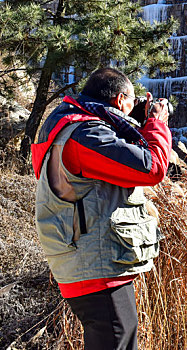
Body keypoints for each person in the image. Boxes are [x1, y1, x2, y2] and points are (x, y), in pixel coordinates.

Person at [31, 67, 172, 349]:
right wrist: (156, 124)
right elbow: (153, 168)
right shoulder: (85, 135)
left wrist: (132, 124)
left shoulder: (72, 125)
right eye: (132, 102)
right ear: (120, 101)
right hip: (94, 269)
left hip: (89, 265)